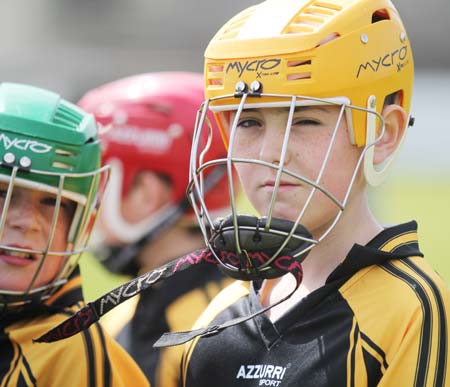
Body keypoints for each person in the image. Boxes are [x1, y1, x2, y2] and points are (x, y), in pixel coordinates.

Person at [171, 0, 450, 386]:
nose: (271, 153)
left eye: (304, 120)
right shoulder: (215, 320)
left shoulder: (412, 311)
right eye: (249, 121)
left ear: (382, 134)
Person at [77, 72, 233, 386]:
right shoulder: (124, 313)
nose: (87, 203)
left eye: (99, 182)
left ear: (148, 194)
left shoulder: (222, 328)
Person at [0, 82, 149, 387]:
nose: (27, 222)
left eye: (53, 202)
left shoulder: (71, 354)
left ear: (80, 223)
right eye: (3, 194)